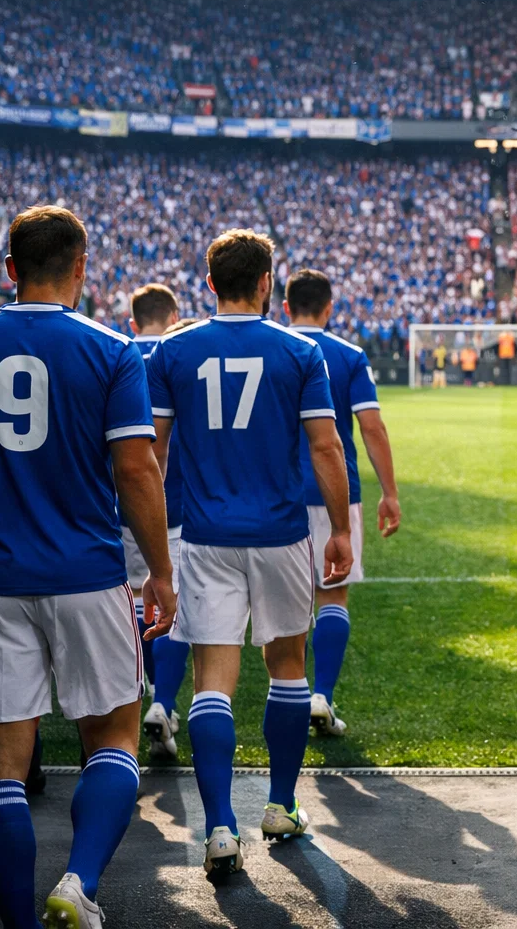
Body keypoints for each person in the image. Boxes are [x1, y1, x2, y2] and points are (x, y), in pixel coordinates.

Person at [0, 205, 175, 929]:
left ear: (9, 269)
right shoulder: (112, 350)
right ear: (81, 266)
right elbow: (136, 470)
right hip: (88, 577)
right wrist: (160, 570)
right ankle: (78, 882)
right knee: (114, 738)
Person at [145, 230, 353, 877]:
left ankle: (219, 830)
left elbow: (151, 455)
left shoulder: (172, 350)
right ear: (267, 282)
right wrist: (340, 529)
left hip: (206, 537)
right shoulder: (300, 351)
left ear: (210, 283)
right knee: (287, 666)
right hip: (283, 534)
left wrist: (153, 547)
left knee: (214, 676)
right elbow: (325, 446)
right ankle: (281, 806)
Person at [283, 269, 402, 736]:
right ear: (329, 308)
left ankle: (291, 697)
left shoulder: (275, 348)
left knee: (290, 602)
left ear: (286, 306)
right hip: (336, 491)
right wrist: (389, 492)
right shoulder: (349, 354)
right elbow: (371, 426)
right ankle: (322, 696)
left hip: (282, 491)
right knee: (333, 593)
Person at [126, 283, 193, 761]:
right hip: (178, 502)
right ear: (174, 316)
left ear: (134, 321)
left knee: (134, 602)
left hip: (123, 502)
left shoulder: (116, 351)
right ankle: (163, 702)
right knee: (173, 605)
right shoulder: (184, 355)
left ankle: (138, 698)